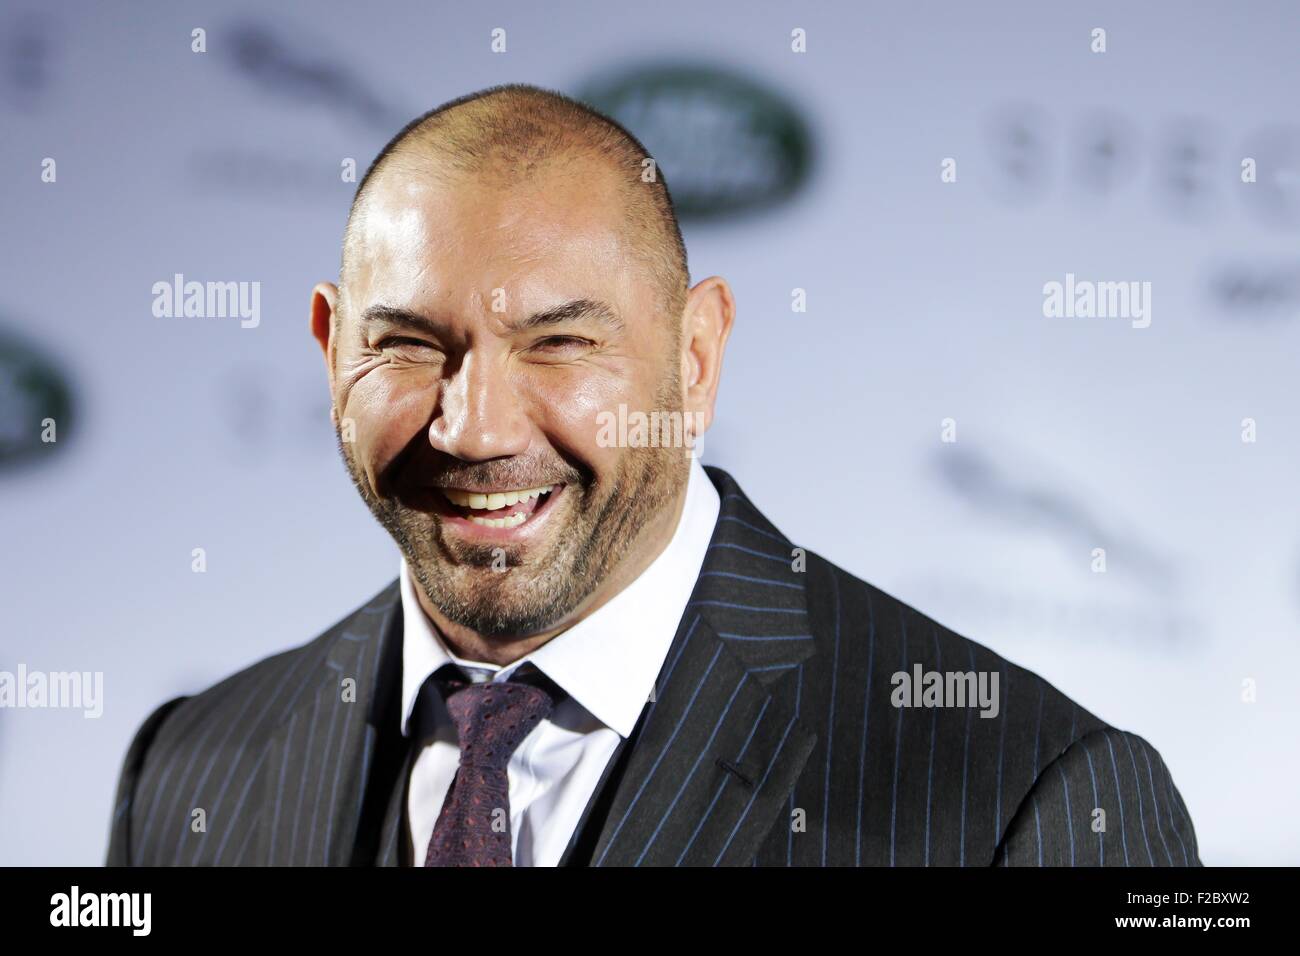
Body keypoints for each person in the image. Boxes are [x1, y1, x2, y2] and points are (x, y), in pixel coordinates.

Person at [107, 84, 1199, 867]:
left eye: (558, 343)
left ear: (694, 358)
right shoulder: (192, 770)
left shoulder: (1028, 799)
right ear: (328, 345)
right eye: (406, 344)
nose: (474, 426)